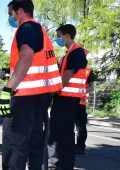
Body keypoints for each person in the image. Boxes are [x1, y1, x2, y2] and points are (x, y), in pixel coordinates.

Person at [0, 1, 63, 169]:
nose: (10, 19)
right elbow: (34, 61)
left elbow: (26, 57)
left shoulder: (26, 27)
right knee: (35, 149)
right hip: (40, 99)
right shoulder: (39, 29)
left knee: (15, 148)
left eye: (10, 14)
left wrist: (7, 90)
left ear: (19, 11)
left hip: (23, 99)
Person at [49, 24, 89, 169]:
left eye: (59, 36)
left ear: (66, 35)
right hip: (63, 99)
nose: (57, 39)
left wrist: (50, 93)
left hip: (67, 101)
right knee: (56, 132)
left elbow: (65, 80)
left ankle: (65, 165)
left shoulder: (76, 53)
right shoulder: (69, 53)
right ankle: (56, 162)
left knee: (64, 136)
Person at [75, 71, 95, 154]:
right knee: (67, 126)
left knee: (81, 127)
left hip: (80, 103)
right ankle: (68, 146)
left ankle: (80, 147)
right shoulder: (68, 68)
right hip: (67, 102)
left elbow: (91, 87)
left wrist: (79, 92)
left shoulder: (88, 72)